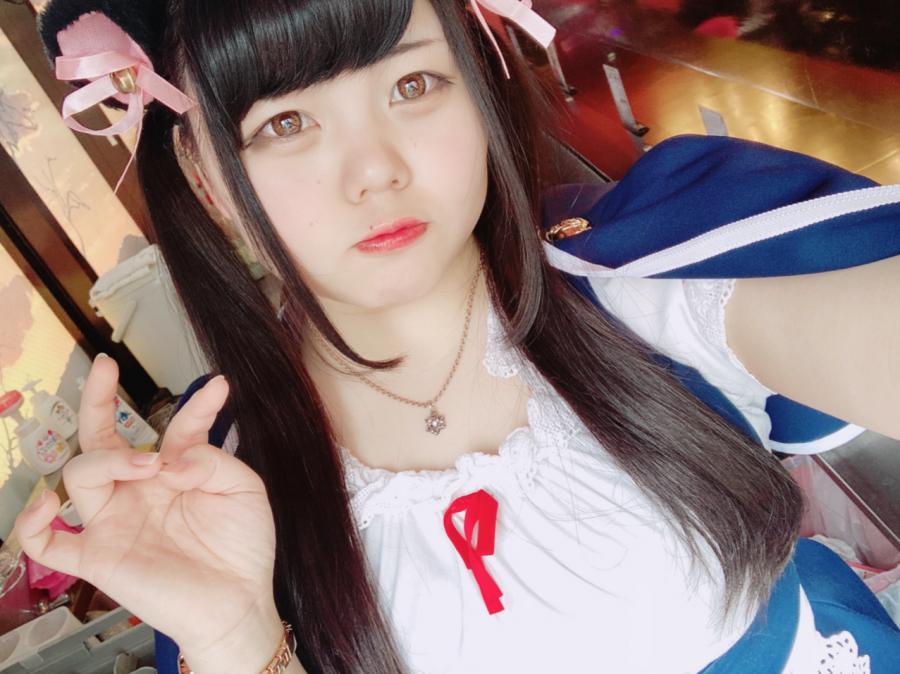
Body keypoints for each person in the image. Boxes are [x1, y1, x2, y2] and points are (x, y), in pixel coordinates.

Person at [14, 0, 900, 672]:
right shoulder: (219, 486)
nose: (375, 171)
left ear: (478, 82)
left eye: (412, 86)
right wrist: (237, 638)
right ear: (204, 174)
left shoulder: (645, 271)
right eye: (285, 123)